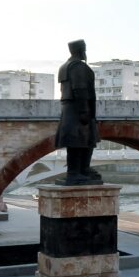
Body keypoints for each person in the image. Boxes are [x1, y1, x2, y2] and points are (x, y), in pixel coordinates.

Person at [54, 39, 101, 185]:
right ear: (81, 50)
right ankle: (75, 172)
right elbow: (80, 89)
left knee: (82, 142)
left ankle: (82, 170)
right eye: (84, 49)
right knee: (80, 141)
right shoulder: (79, 67)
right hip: (80, 109)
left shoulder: (65, 67)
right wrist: (84, 111)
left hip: (69, 109)